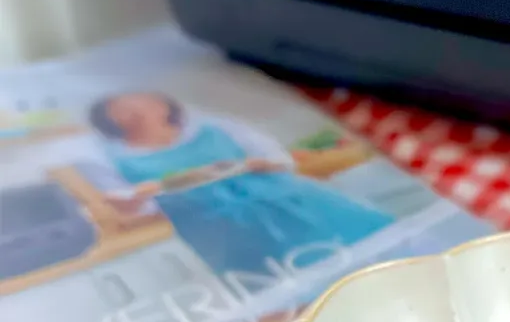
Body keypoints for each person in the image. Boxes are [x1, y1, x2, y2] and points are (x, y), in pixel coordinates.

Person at [88, 92, 394, 276]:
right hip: (222, 231)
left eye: (142, 102)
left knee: (370, 251)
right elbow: (133, 207)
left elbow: (279, 160)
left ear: (164, 105)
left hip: (287, 200)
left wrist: (257, 164)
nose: (137, 111)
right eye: (123, 108)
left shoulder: (217, 128)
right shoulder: (117, 159)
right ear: (110, 120)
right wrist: (135, 200)